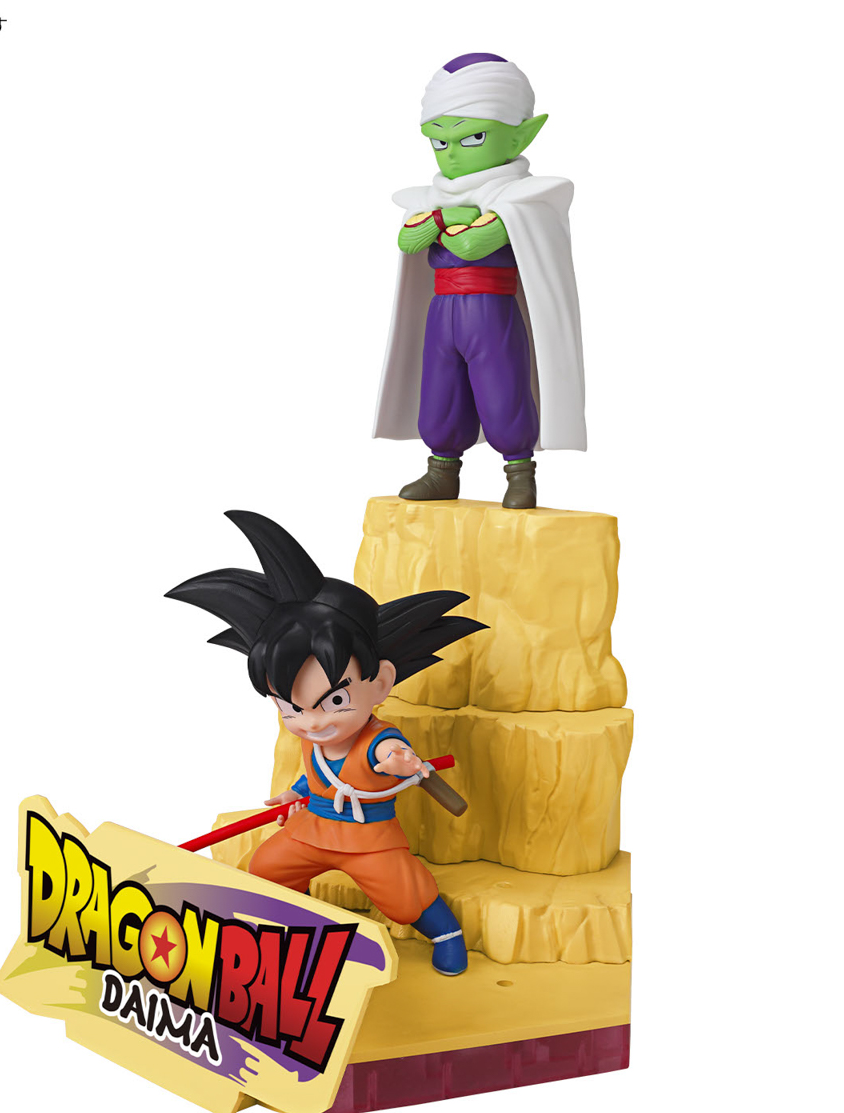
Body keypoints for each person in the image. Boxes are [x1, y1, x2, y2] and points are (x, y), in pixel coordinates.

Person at [167, 511, 485, 975]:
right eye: (290, 707)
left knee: (404, 894)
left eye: (334, 701)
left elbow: (387, 755)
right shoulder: (312, 738)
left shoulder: (378, 739)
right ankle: (297, 929)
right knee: (270, 867)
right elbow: (317, 773)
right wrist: (294, 793)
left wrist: (400, 762)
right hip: (313, 827)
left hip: (368, 838)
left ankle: (446, 934)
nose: (311, 722)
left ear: (381, 683)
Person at [374, 52, 588, 508]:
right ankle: (441, 471)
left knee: (503, 389)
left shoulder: (528, 198)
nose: (451, 153)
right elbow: (409, 240)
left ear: (522, 134)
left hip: (491, 309)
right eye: (439, 141)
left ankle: (519, 474)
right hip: (443, 310)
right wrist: (449, 218)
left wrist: (442, 223)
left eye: (472, 137)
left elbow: (472, 244)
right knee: (440, 390)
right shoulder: (431, 198)